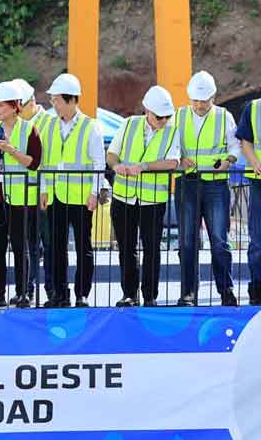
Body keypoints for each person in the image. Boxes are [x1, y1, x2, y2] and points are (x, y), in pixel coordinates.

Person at [107, 86, 180, 307]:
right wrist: (117, 166)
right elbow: (111, 154)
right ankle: (129, 293)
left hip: (153, 201)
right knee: (126, 247)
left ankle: (150, 296)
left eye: (167, 116)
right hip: (124, 197)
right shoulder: (128, 124)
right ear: (147, 110)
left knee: (152, 249)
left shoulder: (172, 131)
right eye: (160, 117)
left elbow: (173, 162)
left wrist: (145, 166)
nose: (164, 120)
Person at [38, 73, 106, 308]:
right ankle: (59, 293)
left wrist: (95, 193)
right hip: (56, 196)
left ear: (70, 100)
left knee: (83, 247)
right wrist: (44, 189)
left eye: (56, 100)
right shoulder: (48, 125)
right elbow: (44, 161)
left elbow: (99, 164)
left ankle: (81, 294)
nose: (53, 104)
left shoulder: (91, 126)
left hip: (81, 198)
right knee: (55, 249)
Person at [174, 71, 239, 306]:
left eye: (204, 100)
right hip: (187, 183)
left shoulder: (224, 117)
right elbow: (170, 145)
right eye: (195, 100)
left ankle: (226, 291)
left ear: (213, 97)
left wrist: (229, 161)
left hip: (216, 184)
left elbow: (235, 145)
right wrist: (179, 158)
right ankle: (189, 293)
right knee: (187, 241)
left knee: (220, 241)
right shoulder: (179, 115)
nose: (199, 105)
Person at [0, 82, 42, 308]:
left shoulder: (29, 129)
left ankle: (23, 293)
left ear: (15, 106)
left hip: (21, 197)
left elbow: (34, 163)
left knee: (20, 246)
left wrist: (11, 150)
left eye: (2, 105)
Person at [14, 77, 51, 300]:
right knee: (27, 245)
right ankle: (26, 290)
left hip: (44, 193)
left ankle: (50, 290)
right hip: (23, 193)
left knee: (47, 244)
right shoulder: (17, 124)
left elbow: (48, 160)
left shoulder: (48, 122)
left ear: (31, 102)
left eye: (19, 107)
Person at [237, 94, 261, 305]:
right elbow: (246, 142)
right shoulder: (253, 108)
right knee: (258, 240)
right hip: (258, 182)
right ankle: (257, 288)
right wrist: (255, 164)